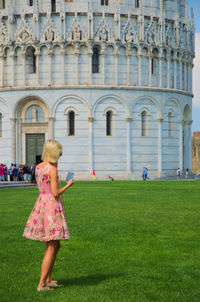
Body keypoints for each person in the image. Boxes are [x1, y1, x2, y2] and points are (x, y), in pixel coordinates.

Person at [23, 140, 74, 291]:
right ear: (54, 152)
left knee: (55, 245)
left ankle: (48, 279)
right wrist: (68, 185)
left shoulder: (38, 167)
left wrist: (55, 168)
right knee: (51, 246)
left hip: (42, 205)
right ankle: (41, 284)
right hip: (52, 207)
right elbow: (55, 193)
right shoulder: (52, 169)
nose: (60, 155)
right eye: (59, 152)